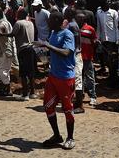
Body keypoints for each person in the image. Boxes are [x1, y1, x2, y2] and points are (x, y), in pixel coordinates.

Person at [33, 11, 76, 150]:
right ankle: (57, 135)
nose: (48, 22)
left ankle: (70, 138)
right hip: (53, 76)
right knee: (48, 106)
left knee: (67, 109)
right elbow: (52, 51)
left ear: (57, 21)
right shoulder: (53, 33)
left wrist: (47, 45)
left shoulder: (67, 34)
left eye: (50, 20)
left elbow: (66, 52)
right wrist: (40, 49)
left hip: (65, 78)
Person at [12, 9, 36, 101]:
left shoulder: (18, 23)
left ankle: (25, 94)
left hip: (22, 49)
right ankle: (32, 92)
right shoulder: (30, 23)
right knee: (31, 72)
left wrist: (2, 34)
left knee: (23, 73)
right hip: (31, 48)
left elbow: (12, 34)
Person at [96, 0, 119, 84]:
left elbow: (117, 27)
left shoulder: (114, 13)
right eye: (107, 2)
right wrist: (98, 39)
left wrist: (117, 40)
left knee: (113, 61)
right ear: (102, 4)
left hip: (112, 40)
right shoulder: (99, 13)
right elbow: (99, 27)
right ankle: (111, 77)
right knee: (107, 60)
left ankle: (114, 79)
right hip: (104, 40)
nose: (109, 3)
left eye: (109, 1)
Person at [65, 8, 84, 114]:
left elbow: (76, 43)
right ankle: (76, 103)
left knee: (78, 80)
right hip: (73, 55)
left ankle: (80, 105)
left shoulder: (73, 25)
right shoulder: (71, 24)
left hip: (75, 55)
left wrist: (73, 52)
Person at [77, 12, 98, 106]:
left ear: (83, 19)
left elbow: (94, 42)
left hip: (87, 56)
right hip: (78, 56)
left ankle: (93, 96)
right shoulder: (75, 28)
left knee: (89, 77)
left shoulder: (90, 29)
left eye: (78, 18)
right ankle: (80, 94)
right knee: (79, 76)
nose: (76, 20)